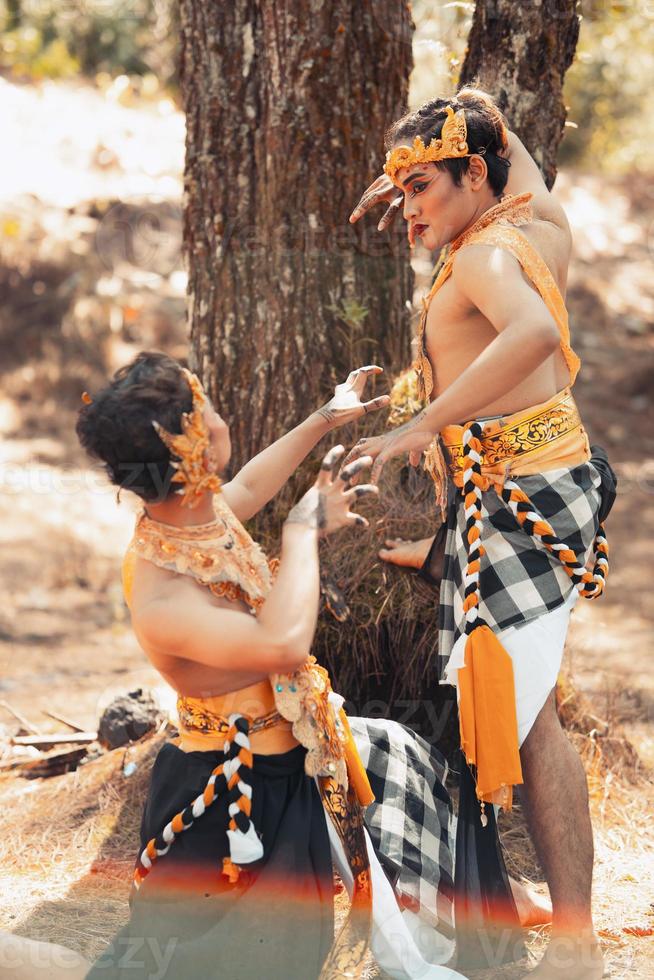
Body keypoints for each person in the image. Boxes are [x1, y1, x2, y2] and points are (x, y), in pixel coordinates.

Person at [1, 351, 472, 980]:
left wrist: (322, 420)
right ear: (190, 446)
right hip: (221, 799)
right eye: (210, 410)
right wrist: (302, 530)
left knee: (282, 963)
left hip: (281, 774)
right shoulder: (163, 591)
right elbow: (281, 645)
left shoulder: (193, 517)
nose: (223, 417)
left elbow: (248, 487)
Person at [346, 86, 617, 980]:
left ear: (472, 174)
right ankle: (526, 918)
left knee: (531, 719)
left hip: (521, 501)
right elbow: (510, 148)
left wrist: (421, 426)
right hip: (517, 496)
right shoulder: (535, 225)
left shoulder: (483, 262)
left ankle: (574, 946)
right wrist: (465, 128)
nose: (407, 210)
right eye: (402, 193)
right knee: (520, 705)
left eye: (421, 189)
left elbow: (536, 334)